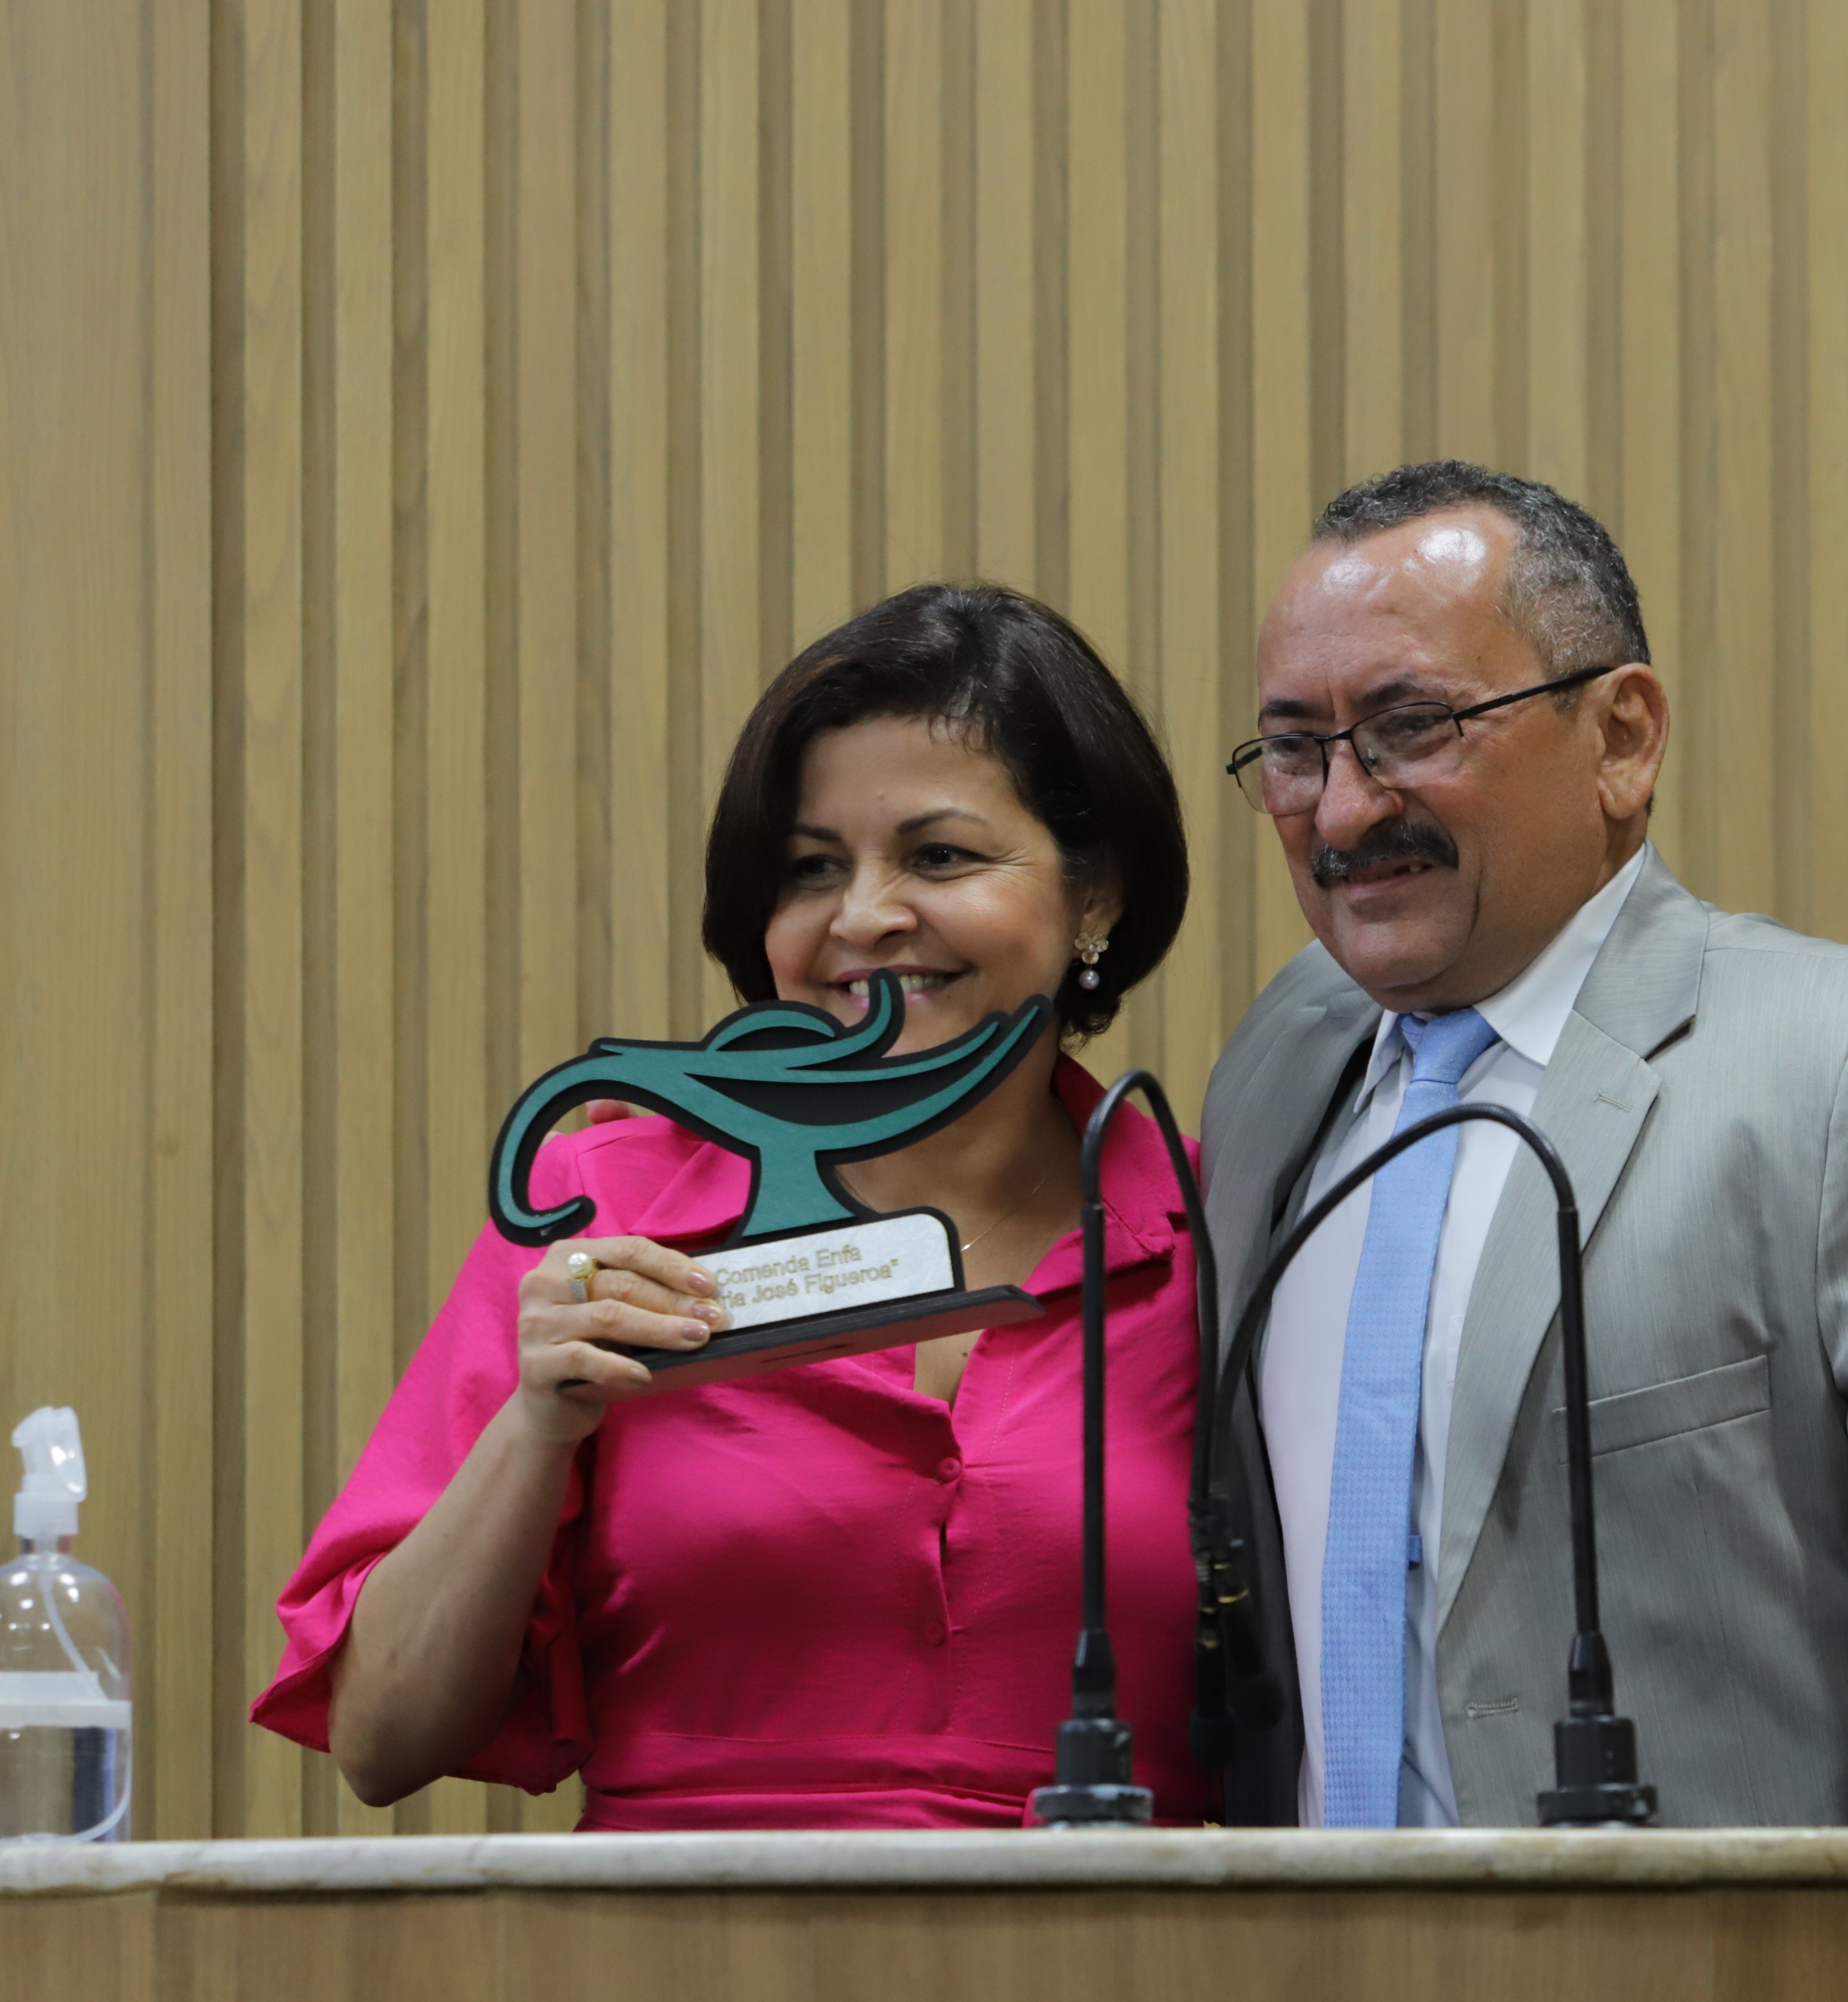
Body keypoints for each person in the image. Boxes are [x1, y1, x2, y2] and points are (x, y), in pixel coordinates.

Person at [1201, 460, 1848, 1827]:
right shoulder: (1276, 1073)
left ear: (1623, 737)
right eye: (1296, 751)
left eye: (1413, 728)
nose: (1344, 811)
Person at [254, 584, 1210, 1829]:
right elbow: (381, 1741)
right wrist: (538, 1428)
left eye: (939, 855)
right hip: (679, 1940)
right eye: (812, 869)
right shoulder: (606, 1209)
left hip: (1126, 1945)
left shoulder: (1221, 1228)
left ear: (1097, 894)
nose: (863, 916)